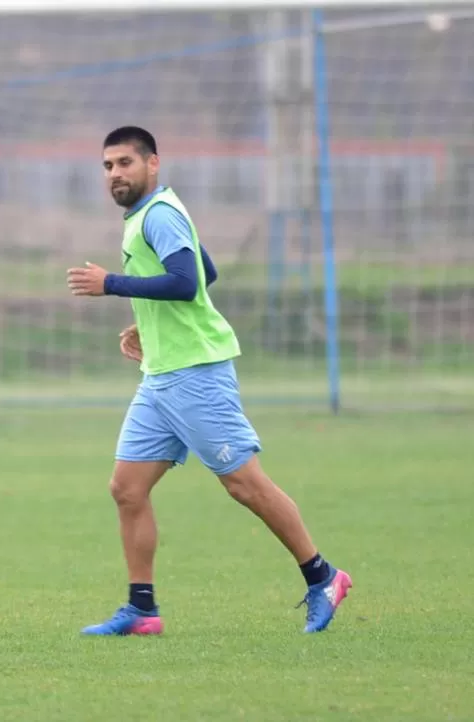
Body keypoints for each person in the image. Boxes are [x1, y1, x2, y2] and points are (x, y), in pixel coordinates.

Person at [65, 126, 351, 636]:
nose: (115, 174)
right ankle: (142, 609)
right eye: (107, 166)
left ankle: (323, 577)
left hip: (196, 373)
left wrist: (111, 284)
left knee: (244, 484)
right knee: (127, 489)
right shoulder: (147, 217)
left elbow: (188, 281)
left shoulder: (161, 213)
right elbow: (207, 271)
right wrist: (147, 320)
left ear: (153, 164)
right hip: (161, 378)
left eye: (125, 163)